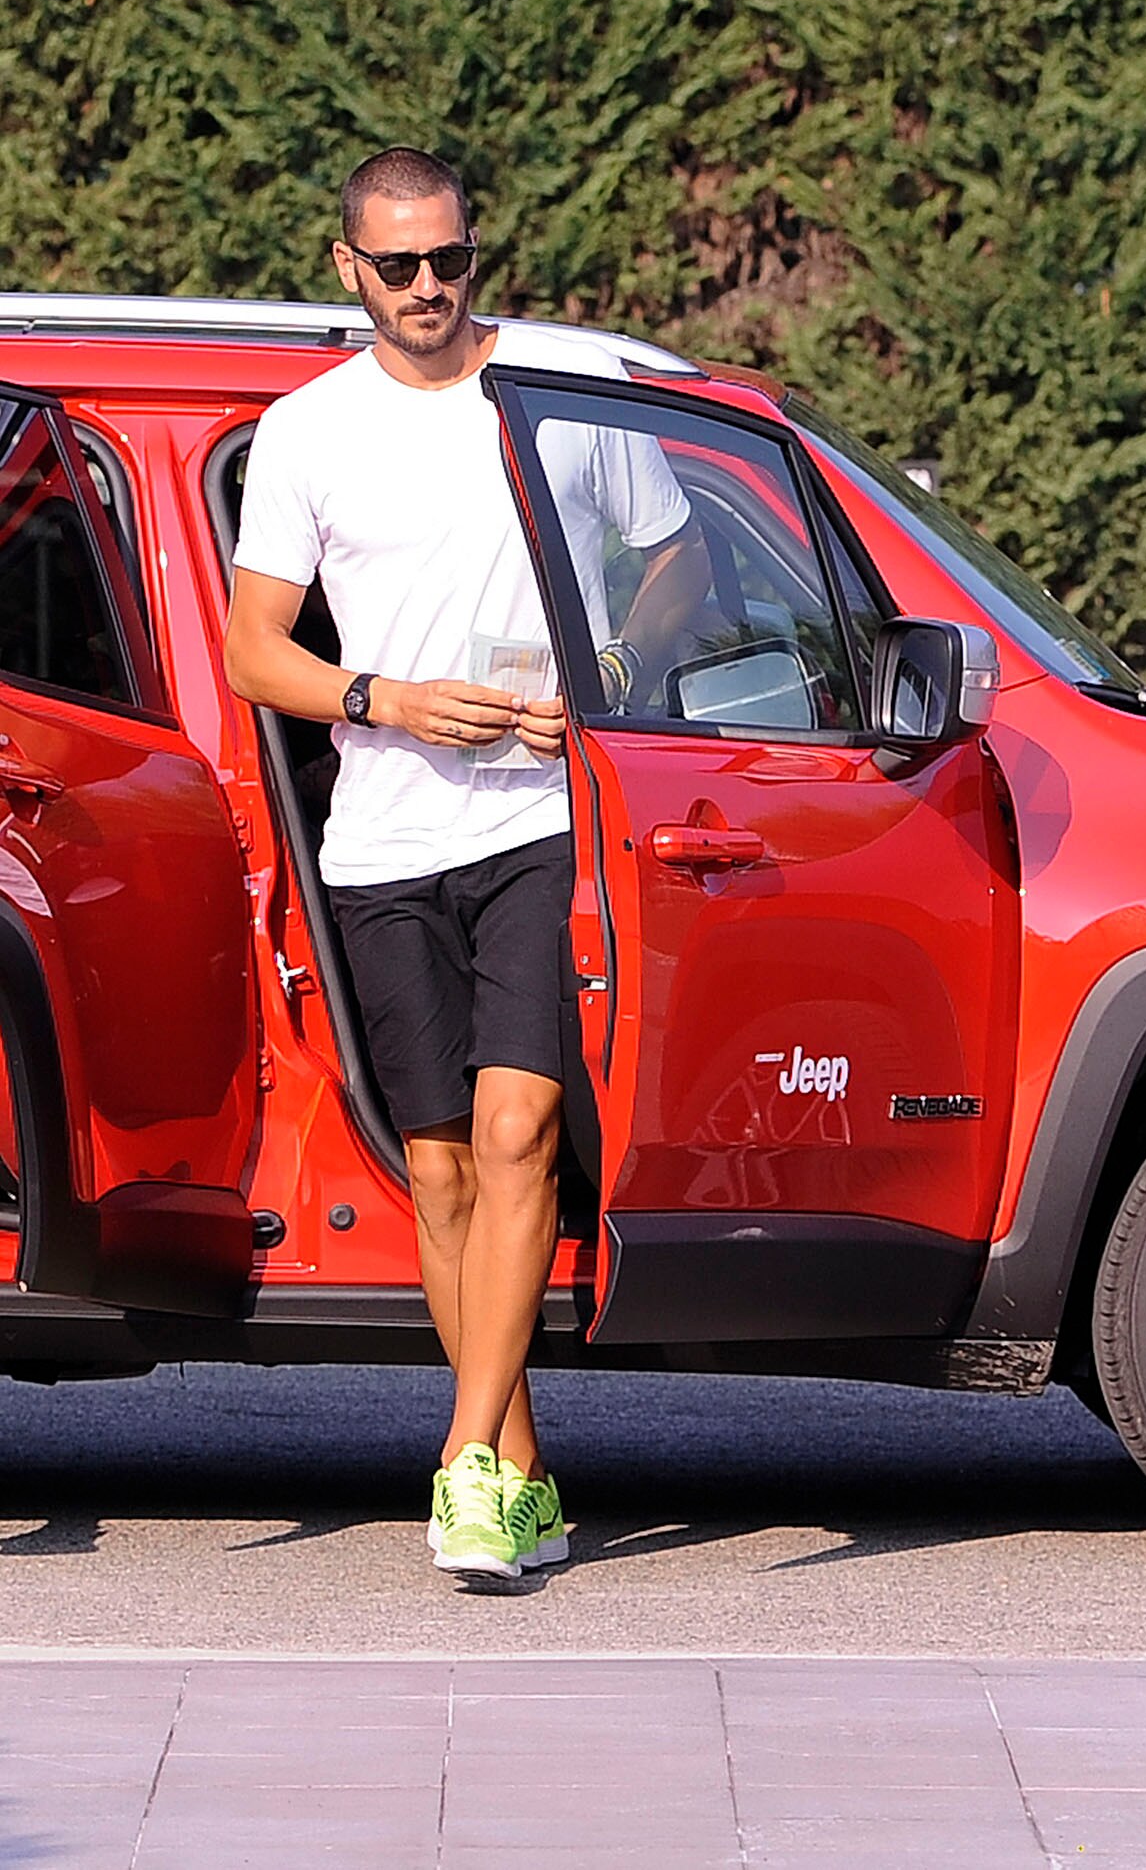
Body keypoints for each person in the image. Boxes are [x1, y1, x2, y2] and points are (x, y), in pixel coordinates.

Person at [224, 146, 709, 1578]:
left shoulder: (564, 391)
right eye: (400, 265)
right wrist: (386, 698)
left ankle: (461, 1464)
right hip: (383, 837)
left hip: (539, 822)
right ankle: (522, 1467)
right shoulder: (307, 431)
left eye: (452, 259)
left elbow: (678, 563)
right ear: (350, 268)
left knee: (517, 1138)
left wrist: (609, 672)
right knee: (438, 1172)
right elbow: (255, 650)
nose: (429, 286)